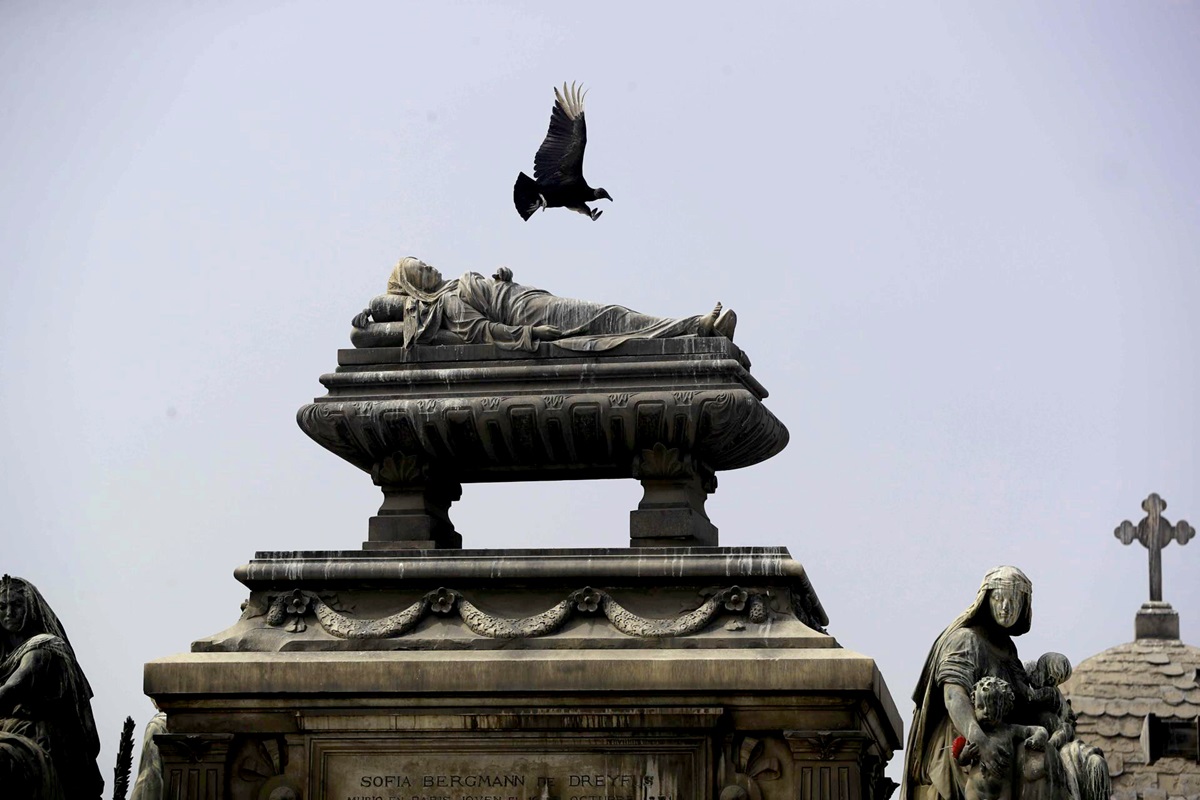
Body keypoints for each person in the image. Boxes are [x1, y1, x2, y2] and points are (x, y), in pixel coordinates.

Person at [350, 256, 737, 352]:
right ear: (413, 286)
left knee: (613, 316)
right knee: (611, 318)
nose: (430, 267)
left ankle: (695, 330)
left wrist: (499, 279)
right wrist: (531, 334)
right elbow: (482, 332)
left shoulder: (454, 285)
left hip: (528, 297)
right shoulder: (446, 303)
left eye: (425, 262)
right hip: (528, 314)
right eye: (421, 271)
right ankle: (696, 328)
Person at [903, 566, 1059, 800]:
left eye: (1013, 600)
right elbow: (953, 695)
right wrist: (981, 742)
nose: (1005, 607)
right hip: (965, 739)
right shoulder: (965, 639)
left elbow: (1022, 699)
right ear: (986, 601)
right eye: (998, 598)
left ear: (1023, 607)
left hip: (1000, 737)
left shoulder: (1007, 648)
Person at [0, 575, 103, 799]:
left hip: (44, 738)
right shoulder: (5, 655)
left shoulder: (43, 647)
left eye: (17, 605)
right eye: (2, 606)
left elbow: (12, 689)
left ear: (31, 608)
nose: (9, 612)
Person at [956, 677, 1049, 800]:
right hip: (974, 789)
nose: (985, 712)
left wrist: (1040, 736)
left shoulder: (1009, 730)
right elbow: (962, 761)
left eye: (991, 707)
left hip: (1002, 792)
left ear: (1004, 707)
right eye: (980, 706)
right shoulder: (975, 733)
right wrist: (966, 754)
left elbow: (1037, 730)